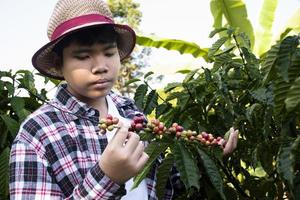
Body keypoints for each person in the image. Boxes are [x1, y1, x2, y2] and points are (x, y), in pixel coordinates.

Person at [9, 0, 238, 199]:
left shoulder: (129, 111)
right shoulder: (37, 132)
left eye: (109, 53)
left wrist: (206, 155)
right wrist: (107, 177)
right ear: (59, 65)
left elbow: (161, 182)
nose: (100, 67)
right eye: (82, 56)